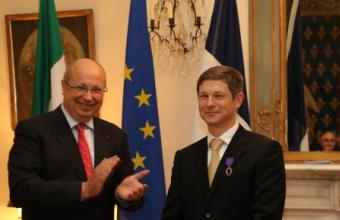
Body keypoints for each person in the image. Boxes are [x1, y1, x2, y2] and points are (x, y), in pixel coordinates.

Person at [8, 58, 149, 220]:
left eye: (96, 90)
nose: (89, 97)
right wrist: (83, 190)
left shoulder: (115, 135)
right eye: (81, 88)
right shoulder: (33, 130)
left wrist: (124, 197)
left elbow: (125, 189)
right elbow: (21, 190)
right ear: (63, 87)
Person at [161, 65, 286, 220]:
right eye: (204, 96)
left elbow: (266, 215)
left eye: (218, 96)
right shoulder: (185, 157)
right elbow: (172, 216)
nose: (209, 103)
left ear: (238, 100)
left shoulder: (264, 151)